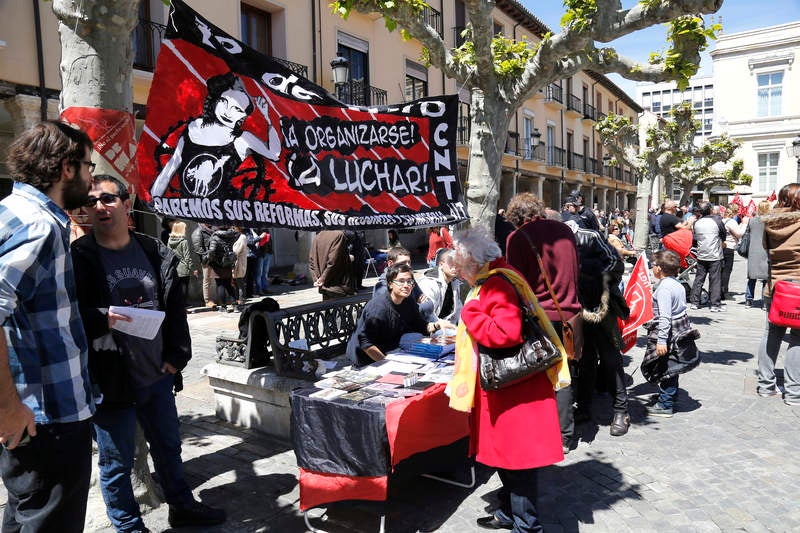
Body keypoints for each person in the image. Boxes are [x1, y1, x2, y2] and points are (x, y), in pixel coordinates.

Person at [71, 174, 226, 531]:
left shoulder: (155, 252)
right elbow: (66, 316)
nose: (99, 207)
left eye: (107, 199)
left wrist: (177, 357)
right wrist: (100, 318)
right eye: (92, 202)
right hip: (110, 382)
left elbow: (174, 311)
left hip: (157, 373)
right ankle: (128, 525)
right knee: (116, 462)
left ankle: (182, 506)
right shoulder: (79, 258)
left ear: (128, 204)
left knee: (169, 448)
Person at [0, 121, 96, 532]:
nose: (93, 181)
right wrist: (8, 408)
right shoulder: (39, 226)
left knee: (24, 517)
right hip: (46, 417)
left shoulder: (12, 212)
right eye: (89, 167)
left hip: (37, 415)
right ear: (66, 168)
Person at [447, 226, 568, 532]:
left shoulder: (496, 283)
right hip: (510, 387)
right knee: (507, 461)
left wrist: (470, 312)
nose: (461, 276)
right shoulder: (500, 274)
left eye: (462, 269)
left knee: (518, 465)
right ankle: (509, 513)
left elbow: (506, 333)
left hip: (514, 391)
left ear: (474, 264)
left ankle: (527, 526)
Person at [505, 193, 582, 454]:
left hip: (541, 317)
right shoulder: (564, 231)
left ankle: (554, 432)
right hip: (570, 314)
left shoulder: (517, 238)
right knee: (565, 373)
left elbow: (516, 283)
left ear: (516, 218)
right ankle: (566, 434)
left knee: (541, 375)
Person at [150, 72, 280, 199]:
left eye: (237, 109)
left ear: (244, 117)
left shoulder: (242, 139)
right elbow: (171, 167)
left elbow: (274, 154)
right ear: (216, 101)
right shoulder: (192, 128)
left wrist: (268, 119)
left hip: (220, 215)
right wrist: (154, 200)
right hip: (187, 211)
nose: (228, 112)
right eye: (224, 101)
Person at [563, 215, 631, 437]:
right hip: (575, 308)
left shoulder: (589, 236)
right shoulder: (553, 242)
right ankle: (583, 407)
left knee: (610, 358)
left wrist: (589, 276)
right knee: (584, 359)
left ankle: (621, 410)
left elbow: (615, 262)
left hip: (602, 305)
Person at [346, 263, 449, 366]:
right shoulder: (379, 308)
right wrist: (387, 363)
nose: (406, 285)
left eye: (409, 281)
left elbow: (421, 326)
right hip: (367, 357)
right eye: (401, 281)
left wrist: (437, 325)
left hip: (392, 348)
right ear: (390, 284)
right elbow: (365, 343)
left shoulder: (407, 301)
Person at [643, 250, 700, 417]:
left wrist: (661, 340)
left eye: (653, 265)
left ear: (659, 268)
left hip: (669, 335)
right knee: (672, 367)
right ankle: (670, 395)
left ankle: (665, 404)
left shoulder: (665, 288)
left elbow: (665, 317)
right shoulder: (677, 284)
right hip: (679, 331)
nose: (652, 268)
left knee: (666, 369)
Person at [757, 183, 800, 405]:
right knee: (798, 338)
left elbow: (767, 250)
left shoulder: (769, 222)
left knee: (771, 334)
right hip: (798, 287)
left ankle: (765, 385)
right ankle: (793, 392)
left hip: (775, 287)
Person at [373, 246, 433, 320]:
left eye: (409, 262)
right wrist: (417, 305)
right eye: (403, 263)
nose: (408, 266)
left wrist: (416, 307)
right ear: (390, 264)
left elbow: (429, 303)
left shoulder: (410, 279)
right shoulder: (383, 286)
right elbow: (398, 314)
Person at [691, 201, 725, 312]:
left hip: (701, 254)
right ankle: (715, 304)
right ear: (710, 210)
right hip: (715, 254)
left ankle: (694, 302)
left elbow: (694, 238)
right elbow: (723, 234)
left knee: (699, 279)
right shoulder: (717, 220)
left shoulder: (697, 223)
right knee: (715, 280)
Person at [417, 248, 463, 327]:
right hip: (431, 326)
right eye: (451, 263)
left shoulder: (455, 282)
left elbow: (458, 310)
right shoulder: (429, 282)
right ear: (441, 264)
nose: (455, 267)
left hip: (448, 325)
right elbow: (428, 314)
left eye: (457, 263)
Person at [309, 230, 355, 300]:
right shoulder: (339, 235)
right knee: (337, 308)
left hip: (324, 286)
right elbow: (333, 261)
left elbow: (312, 261)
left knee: (328, 307)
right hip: (337, 286)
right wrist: (322, 279)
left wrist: (317, 279)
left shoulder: (318, 236)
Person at [745, 201, 772, 308]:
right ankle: (765, 302)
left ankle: (748, 300)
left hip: (753, 251)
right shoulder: (769, 221)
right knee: (765, 278)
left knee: (752, 277)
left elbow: (747, 234)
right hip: (766, 251)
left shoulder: (752, 221)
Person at [208, 225, 240, 312]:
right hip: (228, 262)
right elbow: (238, 234)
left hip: (217, 263)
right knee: (229, 285)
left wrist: (209, 260)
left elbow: (211, 251)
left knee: (220, 285)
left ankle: (223, 307)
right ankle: (235, 305)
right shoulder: (232, 235)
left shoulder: (215, 236)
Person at [167, 221, 200, 305]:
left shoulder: (169, 241)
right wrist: (193, 269)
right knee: (184, 288)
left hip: (174, 268)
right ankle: (183, 306)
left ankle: (178, 306)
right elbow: (187, 257)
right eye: (184, 228)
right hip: (184, 268)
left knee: (177, 289)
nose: (185, 230)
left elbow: (168, 255)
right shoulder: (183, 242)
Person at [722, 205, 747, 299]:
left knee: (721, 270)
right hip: (729, 247)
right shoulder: (731, 221)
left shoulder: (723, 220)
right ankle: (724, 292)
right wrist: (744, 224)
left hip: (722, 246)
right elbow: (739, 234)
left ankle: (720, 290)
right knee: (727, 271)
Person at [191, 223, 215, 308]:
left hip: (215, 258)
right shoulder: (198, 232)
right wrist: (207, 257)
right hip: (206, 260)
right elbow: (198, 249)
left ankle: (221, 299)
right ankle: (207, 301)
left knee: (218, 279)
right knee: (207, 280)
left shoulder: (212, 229)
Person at [232, 227, 248, 310]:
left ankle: (241, 301)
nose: (233, 229)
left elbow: (236, 250)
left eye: (234, 228)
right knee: (236, 283)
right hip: (237, 262)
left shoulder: (242, 237)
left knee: (240, 282)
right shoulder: (237, 236)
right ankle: (238, 299)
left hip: (240, 262)